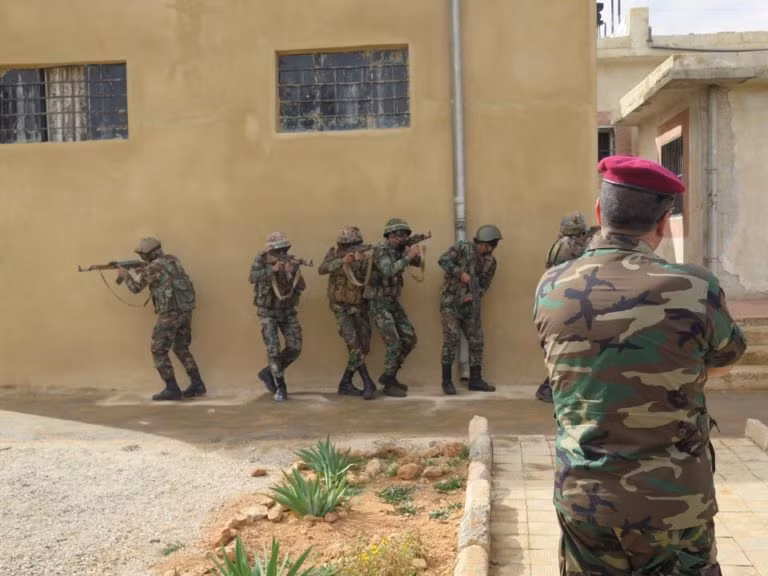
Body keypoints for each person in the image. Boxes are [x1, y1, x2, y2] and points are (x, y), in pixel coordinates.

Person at [534, 155, 746, 575]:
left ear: (600, 211)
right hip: (673, 503)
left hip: (584, 498)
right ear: (663, 222)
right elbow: (726, 360)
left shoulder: (551, 285)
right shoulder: (694, 287)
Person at [117, 237, 206, 401]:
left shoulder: (152, 268)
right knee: (181, 348)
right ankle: (197, 384)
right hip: (185, 311)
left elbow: (135, 288)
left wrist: (125, 276)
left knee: (158, 350)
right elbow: (163, 276)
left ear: (148, 254)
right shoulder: (173, 260)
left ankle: (172, 389)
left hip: (169, 314)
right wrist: (144, 270)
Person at [535, 212, 600, 403]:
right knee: (568, 348)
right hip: (565, 303)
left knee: (567, 348)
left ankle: (552, 386)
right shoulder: (567, 246)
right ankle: (548, 387)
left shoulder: (564, 244)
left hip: (561, 303)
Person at [437, 225, 501, 395]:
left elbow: (485, 284)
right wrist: (460, 274)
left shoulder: (491, 262)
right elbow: (443, 260)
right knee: (451, 339)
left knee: (477, 340)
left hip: (470, 305)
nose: (489, 250)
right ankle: (446, 381)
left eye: (492, 246)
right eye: (487, 246)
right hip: (450, 301)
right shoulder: (463, 248)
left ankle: (475, 379)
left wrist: (474, 295)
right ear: (479, 242)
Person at [363, 218, 422, 397]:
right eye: (398, 235)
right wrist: (408, 257)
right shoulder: (380, 250)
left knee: (410, 339)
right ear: (389, 235)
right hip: (379, 302)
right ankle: (389, 384)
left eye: (404, 235)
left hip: (392, 301)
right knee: (394, 343)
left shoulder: (399, 250)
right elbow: (388, 270)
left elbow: (417, 264)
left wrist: (414, 255)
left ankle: (390, 375)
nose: (401, 238)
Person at [318, 226, 377, 400]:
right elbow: (322, 269)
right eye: (346, 246)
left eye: (354, 244)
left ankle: (345, 382)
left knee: (364, 345)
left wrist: (361, 261)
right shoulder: (333, 254)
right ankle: (367, 382)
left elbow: (370, 278)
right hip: (340, 307)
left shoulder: (364, 256)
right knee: (353, 344)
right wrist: (343, 261)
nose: (350, 248)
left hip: (359, 306)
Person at [249, 232, 306, 402]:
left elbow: (301, 287)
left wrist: (293, 272)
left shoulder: (290, 261)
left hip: (287, 310)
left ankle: (269, 371)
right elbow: (252, 277)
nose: (282, 252)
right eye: (278, 249)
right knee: (273, 349)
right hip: (268, 311)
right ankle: (280, 385)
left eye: (284, 249)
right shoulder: (261, 259)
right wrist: (272, 270)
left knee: (295, 347)